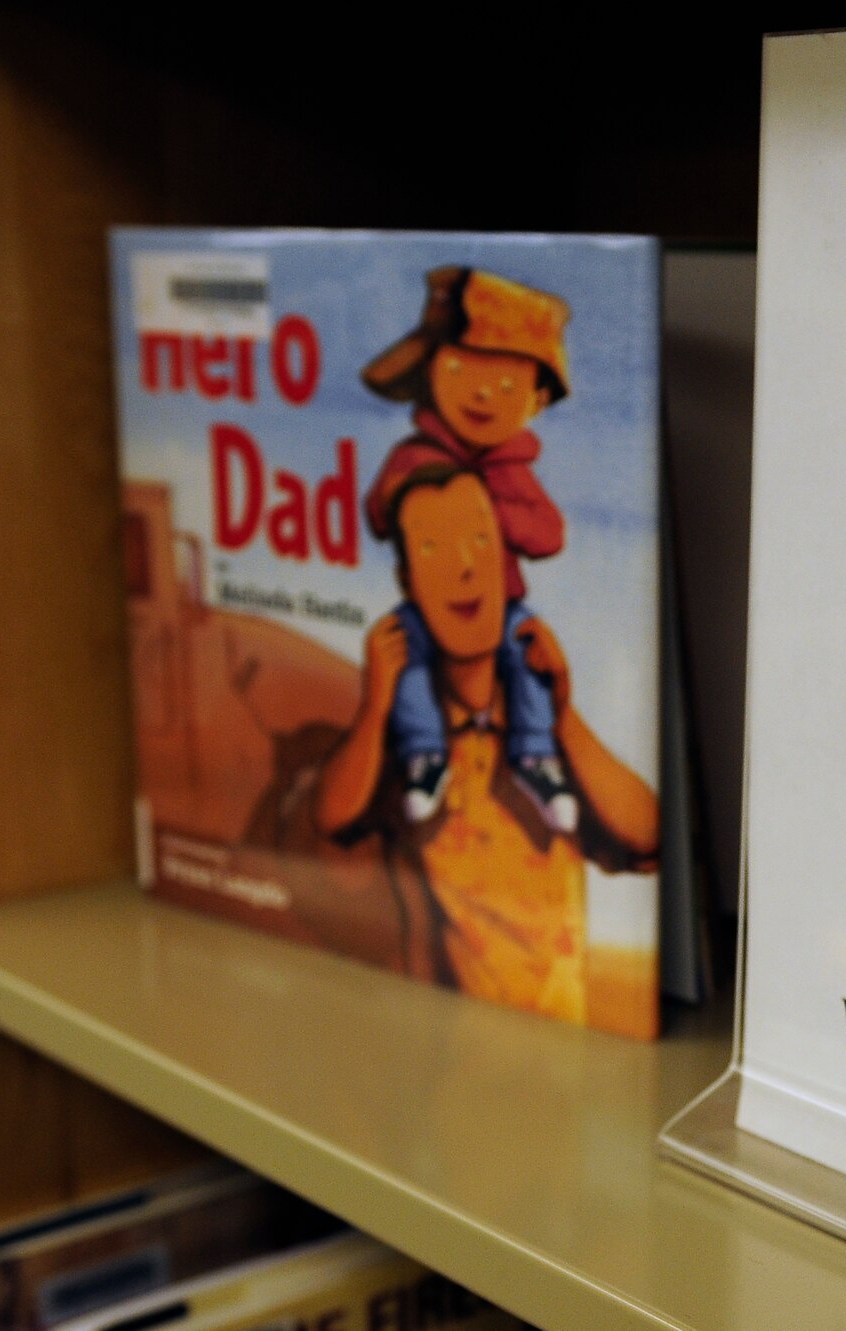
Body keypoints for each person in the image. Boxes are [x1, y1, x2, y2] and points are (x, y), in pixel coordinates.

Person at [315, 464, 659, 1028]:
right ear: (406, 581)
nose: (465, 566)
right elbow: (329, 820)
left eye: (481, 540)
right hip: (443, 1059)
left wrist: (563, 714)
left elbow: (648, 836)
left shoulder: (542, 727)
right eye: (433, 548)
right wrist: (375, 709)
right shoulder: (404, 742)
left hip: (558, 1059)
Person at [359, 267, 577, 830]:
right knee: (406, 655)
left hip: (500, 605)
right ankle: (425, 754)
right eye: (460, 369)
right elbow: (378, 514)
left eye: (506, 386)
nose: (482, 394)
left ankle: (534, 755)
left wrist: (493, 508)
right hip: (428, 606)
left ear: (533, 401)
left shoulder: (511, 472)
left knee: (525, 655)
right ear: (431, 372)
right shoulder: (416, 454)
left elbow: (548, 534)